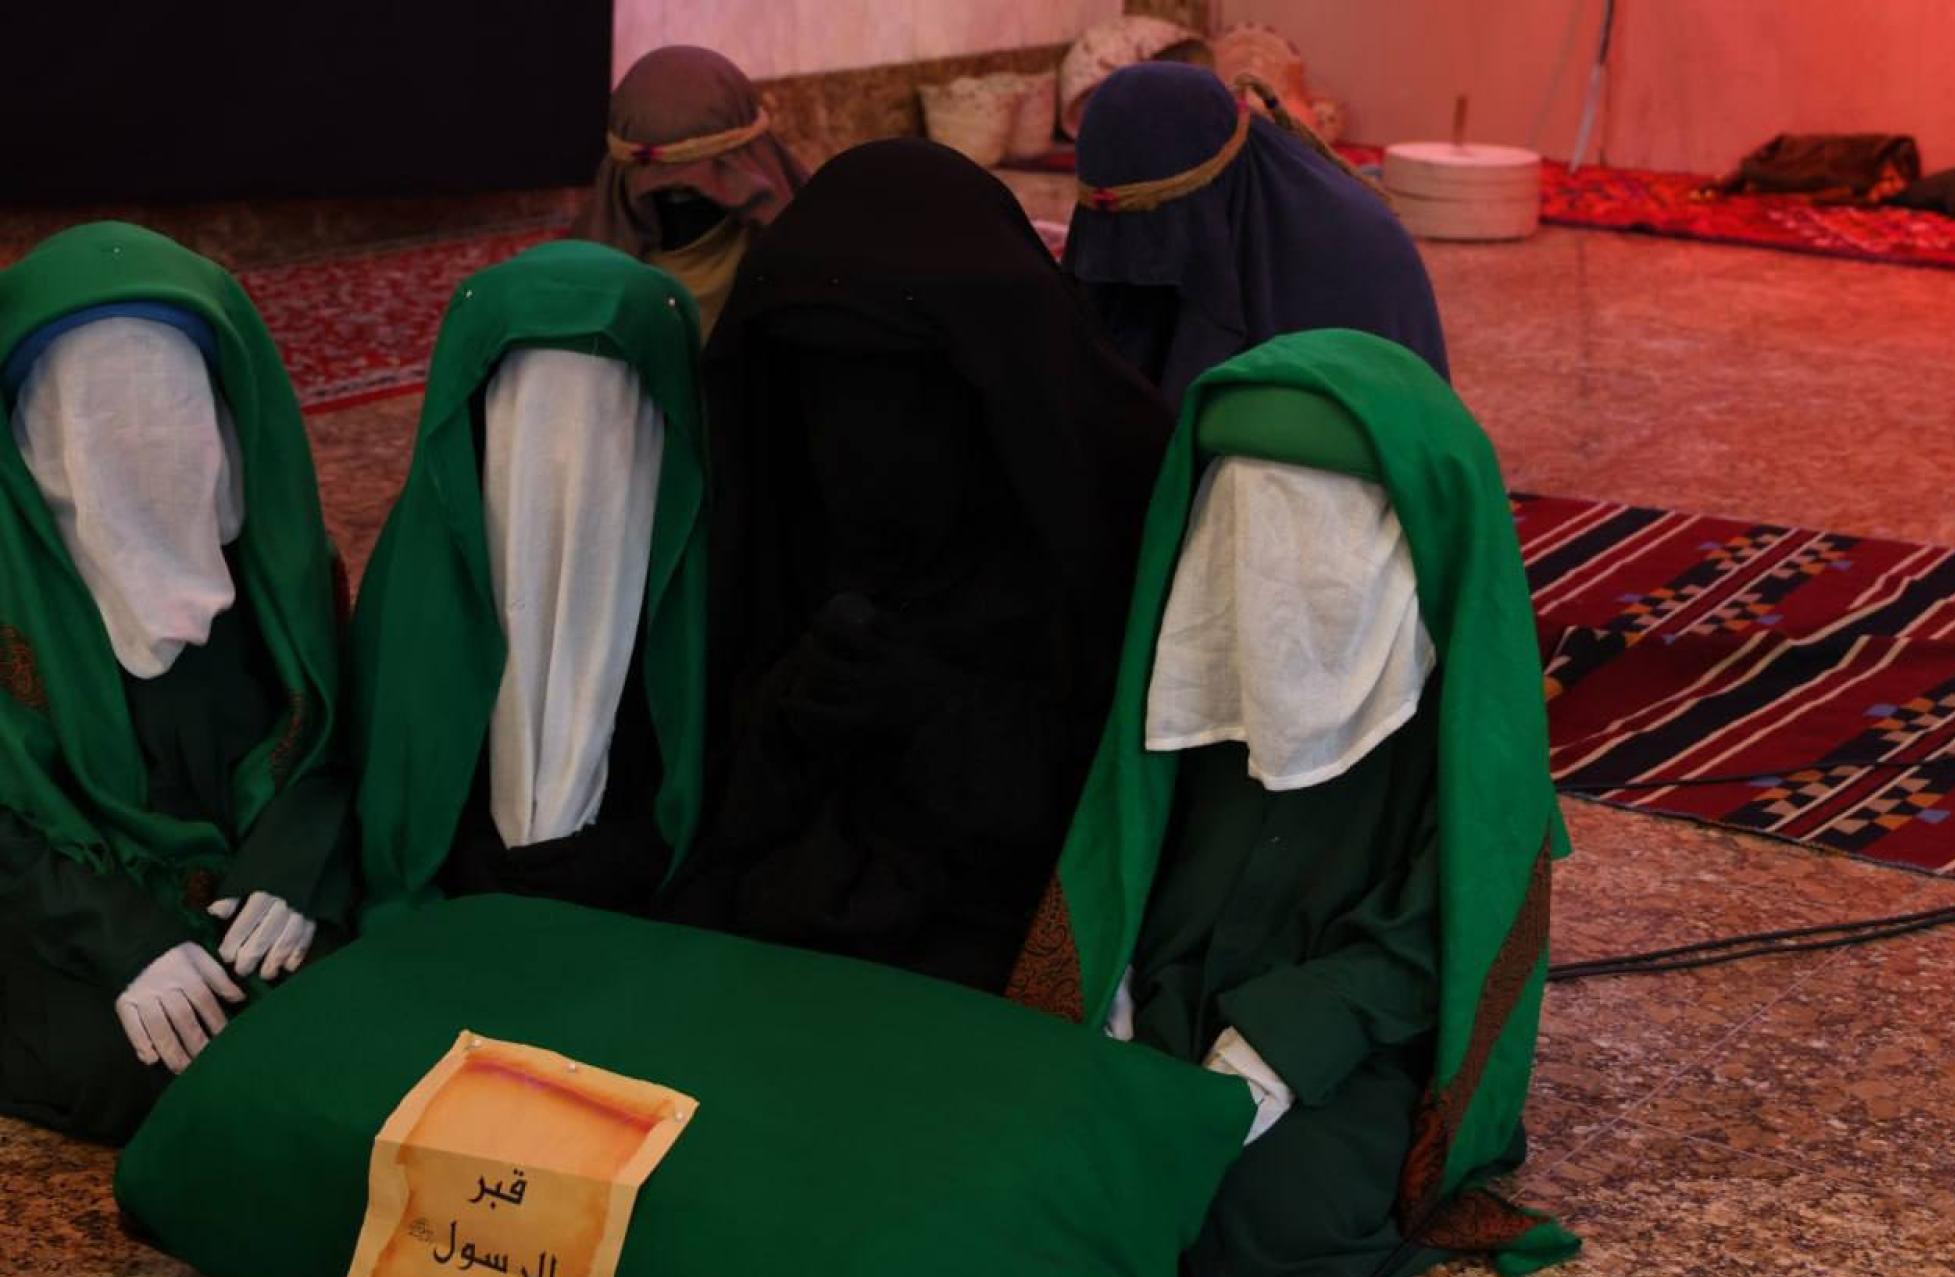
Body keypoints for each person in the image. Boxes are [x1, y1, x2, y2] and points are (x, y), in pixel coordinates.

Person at [1010, 330, 1575, 1277]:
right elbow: (1123, 843)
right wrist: (1115, 989)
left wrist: (1276, 1053)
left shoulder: (1457, 708)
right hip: (1175, 993)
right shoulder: (1190, 651)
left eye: (1315, 524)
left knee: (1272, 1220)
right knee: (1040, 1156)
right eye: (1250, 519)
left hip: (1347, 1042)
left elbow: (1445, 932)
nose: (1275, 565)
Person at [657, 139, 1173, 995]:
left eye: (898, 385)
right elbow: (710, 788)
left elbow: (1124, 805)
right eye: (818, 382)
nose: (852, 437)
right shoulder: (782, 502)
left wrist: (931, 711)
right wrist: (793, 711)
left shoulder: (1106, 501)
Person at [0, 223, 351, 1143]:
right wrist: (127, 941)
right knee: (140, 1065)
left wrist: (291, 869)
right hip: (61, 910)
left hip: (245, 894)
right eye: (95, 409)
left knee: (350, 1002)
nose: (139, 438)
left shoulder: (278, 561)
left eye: (168, 401)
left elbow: (333, 732)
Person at [349, 241, 707, 924]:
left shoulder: (701, 581)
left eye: (609, 411)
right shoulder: (419, 573)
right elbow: (388, 776)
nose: (568, 456)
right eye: (533, 414)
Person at [1063, 62, 1449, 407]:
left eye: (1156, 226)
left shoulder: (1355, 255)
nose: (1133, 263)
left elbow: (1374, 427)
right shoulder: (1126, 239)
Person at [572, 45, 809, 341]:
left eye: (697, 185)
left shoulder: (801, 270)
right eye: (661, 190)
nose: (679, 196)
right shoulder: (585, 287)